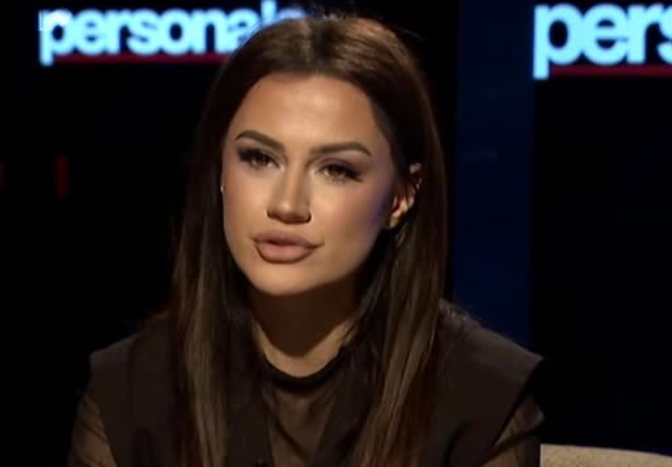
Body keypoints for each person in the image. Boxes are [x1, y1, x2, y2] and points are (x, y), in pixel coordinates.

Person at [67, 12, 545, 467]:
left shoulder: (478, 396)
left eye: (336, 169)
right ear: (219, 170)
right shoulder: (133, 391)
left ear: (401, 197)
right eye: (259, 159)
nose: (287, 204)